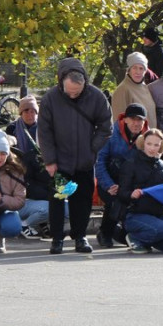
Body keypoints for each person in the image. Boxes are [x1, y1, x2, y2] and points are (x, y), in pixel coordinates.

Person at [38, 57, 112, 254]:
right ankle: (57, 239)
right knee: (58, 200)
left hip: (85, 161)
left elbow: (106, 127)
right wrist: (50, 160)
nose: (72, 96)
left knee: (83, 201)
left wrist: (92, 149)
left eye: (76, 93)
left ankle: (80, 237)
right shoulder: (50, 99)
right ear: (62, 82)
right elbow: (44, 132)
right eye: (69, 92)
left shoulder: (96, 97)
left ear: (84, 84)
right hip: (60, 162)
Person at [117, 129, 163, 254]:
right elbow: (121, 192)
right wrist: (131, 194)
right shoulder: (131, 163)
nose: (152, 148)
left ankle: (145, 240)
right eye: (149, 144)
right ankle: (134, 237)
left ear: (161, 146)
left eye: (156, 145)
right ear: (143, 143)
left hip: (158, 216)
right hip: (134, 215)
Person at [95, 103, 149, 248]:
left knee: (137, 202)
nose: (136, 123)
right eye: (133, 119)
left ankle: (124, 234)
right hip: (109, 179)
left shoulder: (148, 137)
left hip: (132, 182)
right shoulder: (110, 133)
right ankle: (105, 233)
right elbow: (99, 161)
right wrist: (108, 185)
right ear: (124, 119)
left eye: (140, 120)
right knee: (115, 201)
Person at [6, 95, 57, 239]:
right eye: (26, 111)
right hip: (20, 170)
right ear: (21, 113)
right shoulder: (13, 129)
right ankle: (34, 224)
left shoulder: (44, 127)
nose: (30, 114)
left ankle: (44, 224)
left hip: (41, 170)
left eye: (33, 111)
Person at [111, 52, 157, 128]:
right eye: (134, 68)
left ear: (145, 71)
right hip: (134, 139)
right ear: (129, 70)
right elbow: (119, 123)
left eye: (141, 68)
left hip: (149, 137)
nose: (138, 72)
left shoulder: (145, 87)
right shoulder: (122, 90)